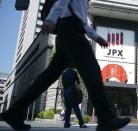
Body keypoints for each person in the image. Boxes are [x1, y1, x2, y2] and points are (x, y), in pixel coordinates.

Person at [1, 0, 130, 130]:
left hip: (66, 32)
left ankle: (15, 112)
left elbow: (81, 19)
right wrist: (51, 19)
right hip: (71, 31)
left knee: (47, 77)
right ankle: (106, 118)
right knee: (93, 73)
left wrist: (96, 36)